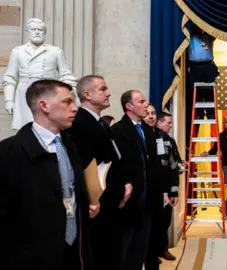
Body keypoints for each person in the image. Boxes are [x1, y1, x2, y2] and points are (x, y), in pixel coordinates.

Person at [0, 79, 94, 269]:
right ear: (44, 106)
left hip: (73, 249)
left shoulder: (70, 145)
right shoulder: (9, 152)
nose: (75, 108)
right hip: (31, 256)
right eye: (67, 102)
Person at [67, 75, 124, 270]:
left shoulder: (101, 123)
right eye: (102, 89)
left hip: (111, 205)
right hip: (96, 206)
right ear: (87, 94)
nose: (108, 93)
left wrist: (126, 185)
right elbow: (82, 165)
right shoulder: (79, 122)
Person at [110, 90, 161, 270]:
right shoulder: (117, 131)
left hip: (147, 204)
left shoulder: (149, 131)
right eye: (141, 101)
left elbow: (154, 166)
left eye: (146, 101)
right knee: (123, 253)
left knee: (140, 252)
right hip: (128, 204)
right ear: (129, 106)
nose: (146, 105)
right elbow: (116, 166)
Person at [2, 18, 77, 130]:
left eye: (40, 30)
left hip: (48, 94)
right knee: (25, 130)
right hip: (24, 95)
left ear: (45, 32)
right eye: (34, 29)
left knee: (47, 127)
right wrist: (9, 100)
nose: (37, 32)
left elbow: (66, 75)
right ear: (28, 31)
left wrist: (70, 94)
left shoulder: (55, 52)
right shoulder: (18, 51)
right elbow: (10, 78)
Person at [144, 108, 179, 269]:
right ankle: (149, 252)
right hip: (147, 189)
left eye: (152, 113)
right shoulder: (140, 135)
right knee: (148, 225)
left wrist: (173, 190)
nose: (150, 116)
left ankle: (161, 249)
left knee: (164, 221)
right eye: (147, 113)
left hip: (164, 186)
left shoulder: (165, 139)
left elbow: (174, 165)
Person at [188, 24, 219, 119]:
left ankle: (210, 114)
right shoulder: (190, 36)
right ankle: (198, 114)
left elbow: (217, 32)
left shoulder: (209, 35)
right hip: (195, 66)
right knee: (197, 92)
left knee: (209, 91)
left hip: (208, 65)